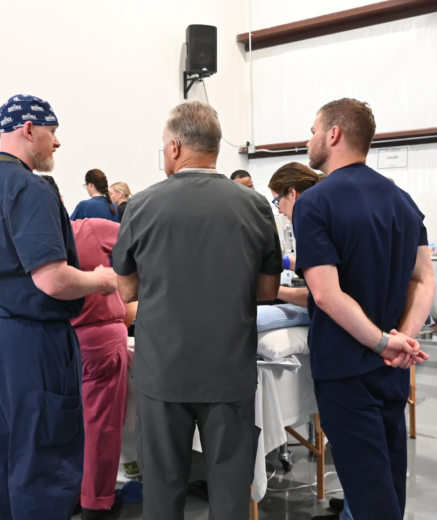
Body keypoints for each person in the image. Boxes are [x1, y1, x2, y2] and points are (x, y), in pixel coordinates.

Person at [113, 101, 283, 520]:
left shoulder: (141, 206)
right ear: (216, 149)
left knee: (163, 490)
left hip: (163, 372)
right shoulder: (256, 206)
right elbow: (267, 290)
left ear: (173, 147)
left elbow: (127, 288)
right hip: (228, 371)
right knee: (229, 492)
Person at [0, 94, 117, 520]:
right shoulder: (31, 188)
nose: (57, 144)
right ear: (29, 129)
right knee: (45, 454)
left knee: (6, 443)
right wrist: (100, 280)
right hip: (33, 338)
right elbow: (53, 279)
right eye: (53, 133)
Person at [293, 98, 433, 520]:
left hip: (346, 367)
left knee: (369, 491)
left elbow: (325, 294)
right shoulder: (403, 200)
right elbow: (423, 279)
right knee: (389, 478)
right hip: (392, 370)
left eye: (313, 129)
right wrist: (403, 338)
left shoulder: (315, 202)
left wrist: (383, 342)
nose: (309, 138)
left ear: (333, 134)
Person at [44, 175, 129, 519]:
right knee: (102, 426)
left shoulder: (28, 243)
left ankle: (71, 493)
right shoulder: (88, 229)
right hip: (99, 340)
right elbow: (139, 246)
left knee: (63, 427)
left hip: (56, 344)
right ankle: (97, 500)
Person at [268, 162, 323, 308]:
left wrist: (270, 289)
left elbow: (319, 297)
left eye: (277, 201)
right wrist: (284, 262)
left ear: (292, 193)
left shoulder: (311, 226)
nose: (279, 210)